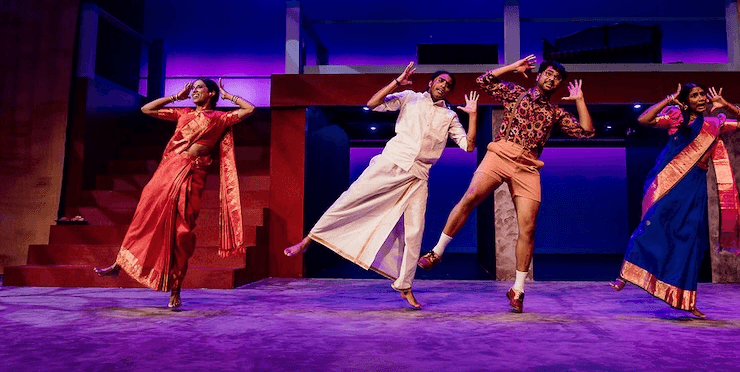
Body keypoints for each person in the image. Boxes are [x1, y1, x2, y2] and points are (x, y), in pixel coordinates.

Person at [283, 63, 479, 309]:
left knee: (415, 232)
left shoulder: (449, 116)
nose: (444, 86)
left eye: (448, 85)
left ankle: (404, 285)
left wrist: (472, 116)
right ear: (430, 83)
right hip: (391, 162)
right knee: (351, 197)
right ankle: (310, 239)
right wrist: (397, 81)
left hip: (419, 176)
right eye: (440, 80)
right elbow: (373, 103)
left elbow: (469, 146)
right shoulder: (410, 98)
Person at [418, 55, 595, 313]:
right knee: (469, 198)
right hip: (500, 154)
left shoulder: (555, 112)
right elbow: (483, 81)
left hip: (528, 166)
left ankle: (518, 289)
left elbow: (586, 132)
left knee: (528, 227)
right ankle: (436, 252)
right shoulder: (516, 93)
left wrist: (579, 100)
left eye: (556, 78)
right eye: (548, 74)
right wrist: (513, 67)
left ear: (558, 85)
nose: (552, 79)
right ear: (539, 75)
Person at [95, 78, 255, 309]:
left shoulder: (220, 118)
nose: (194, 91)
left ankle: (176, 289)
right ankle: (120, 262)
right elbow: (146, 109)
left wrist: (228, 96)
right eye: (193, 88)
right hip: (168, 170)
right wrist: (175, 97)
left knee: (182, 234)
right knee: (145, 216)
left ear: (211, 93)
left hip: (193, 174)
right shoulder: (183, 113)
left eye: (199, 87)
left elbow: (249, 109)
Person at [610, 83, 740, 318]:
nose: (700, 98)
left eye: (702, 95)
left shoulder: (715, 124)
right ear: (686, 100)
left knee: (689, 241)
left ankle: (685, 300)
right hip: (669, 182)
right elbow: (644, 120)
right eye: (694, 95)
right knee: (652, 227)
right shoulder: (676, 117)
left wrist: (726, 105)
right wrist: (669, 99)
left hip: (694, 186)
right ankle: (627, 272)